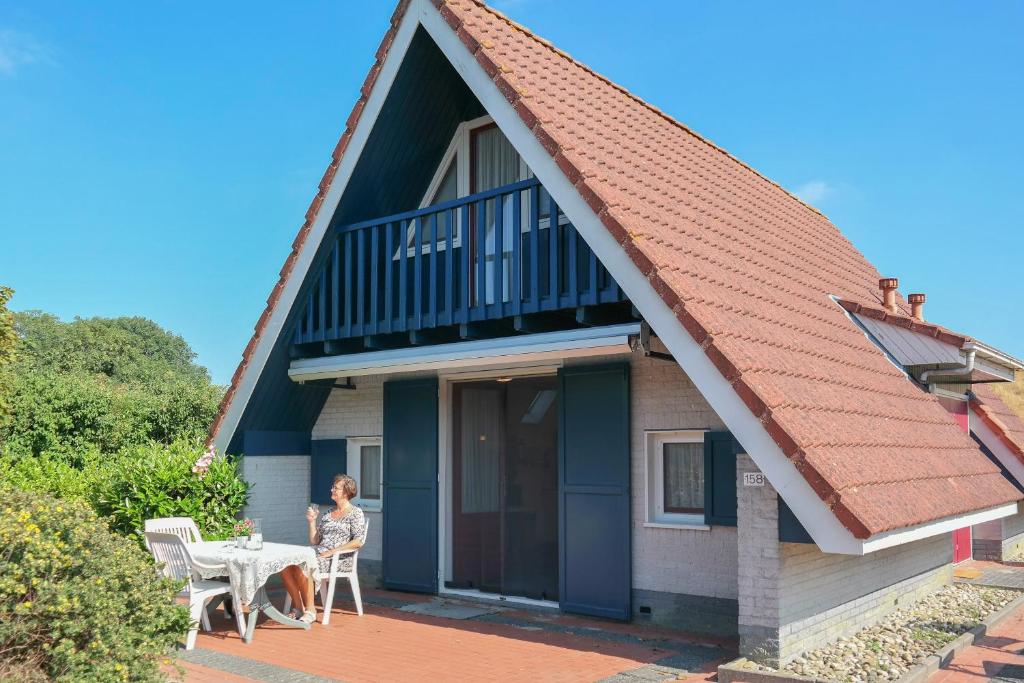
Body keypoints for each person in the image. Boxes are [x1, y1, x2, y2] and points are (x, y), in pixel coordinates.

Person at [281, 474, 367, 624]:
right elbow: (315, 540)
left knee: (305, 564)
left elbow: (358, 541)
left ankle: (311, 609)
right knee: (285, 564)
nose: (332, 489)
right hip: (320, 552)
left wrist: (332, 552)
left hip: (339, 557)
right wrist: (312, 521)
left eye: (336, 487)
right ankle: (298, 606)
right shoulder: (328, 514)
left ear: (346, 492)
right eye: (333, 486)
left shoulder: (356, 513)